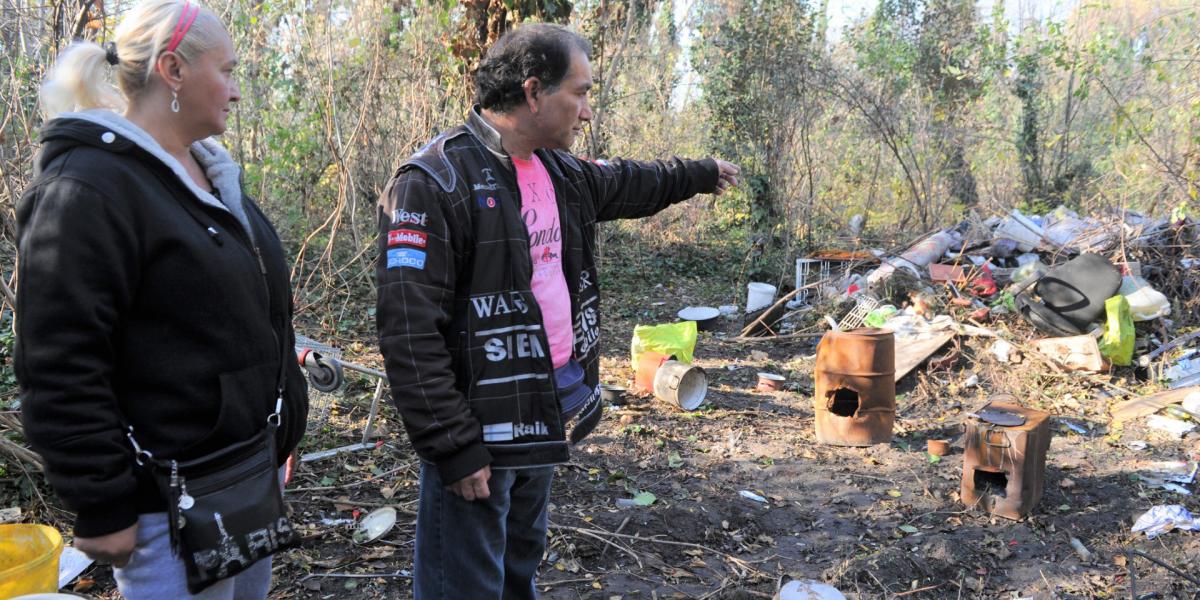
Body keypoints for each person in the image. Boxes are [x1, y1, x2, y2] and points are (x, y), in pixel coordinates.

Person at [375, 23, 738, 599]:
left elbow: (630, 180)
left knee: (519, 571)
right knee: (462, 586)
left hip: (544, 410)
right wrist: (452, 443)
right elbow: (409, 331)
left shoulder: (558, 171)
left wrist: (700, 173)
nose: (587, 111)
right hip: (478, 429)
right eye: (580, 93)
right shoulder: (435, 182)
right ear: (534, 91)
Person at [15, 1, 308, 598]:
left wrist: (278, 431)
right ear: (173, 70)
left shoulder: (208, 174)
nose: (235, 93)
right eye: (226, 71)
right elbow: (59, 359)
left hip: (243, 482)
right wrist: (101, 501)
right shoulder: (87, 188)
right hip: (166, 510)